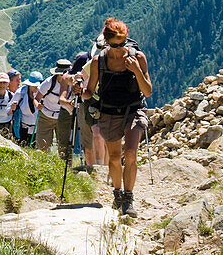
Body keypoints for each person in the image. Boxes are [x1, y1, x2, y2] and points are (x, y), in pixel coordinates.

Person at [83, 17, 152, 218]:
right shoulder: (98, 62)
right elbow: (89, 92)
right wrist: (80, 90)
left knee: (130, 154)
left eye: (123, 43)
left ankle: (128, 199)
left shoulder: (138, 58)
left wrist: (137, 71)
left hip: (133, 110)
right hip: (109, 112)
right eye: (115, 45)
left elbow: (147, 91)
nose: (120, 48)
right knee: (114, 157)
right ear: (106, 43)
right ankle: (117, 194)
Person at [34, 60, 72, 151]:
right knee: (42, 145)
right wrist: (37, 105)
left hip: (63, 116)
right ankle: (42, 162)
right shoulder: (48, 82)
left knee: (64, 145)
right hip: (46, 116)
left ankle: (63, 162)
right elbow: (36, 98)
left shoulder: (72, 84)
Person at [10, 70, 42, 145]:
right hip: (23, 128)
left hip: (38, 129)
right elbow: (8, 108)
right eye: (34, 86)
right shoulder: (20, 93)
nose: (36, 88)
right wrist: (12, 107)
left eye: (37, 86)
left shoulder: (42, 92)